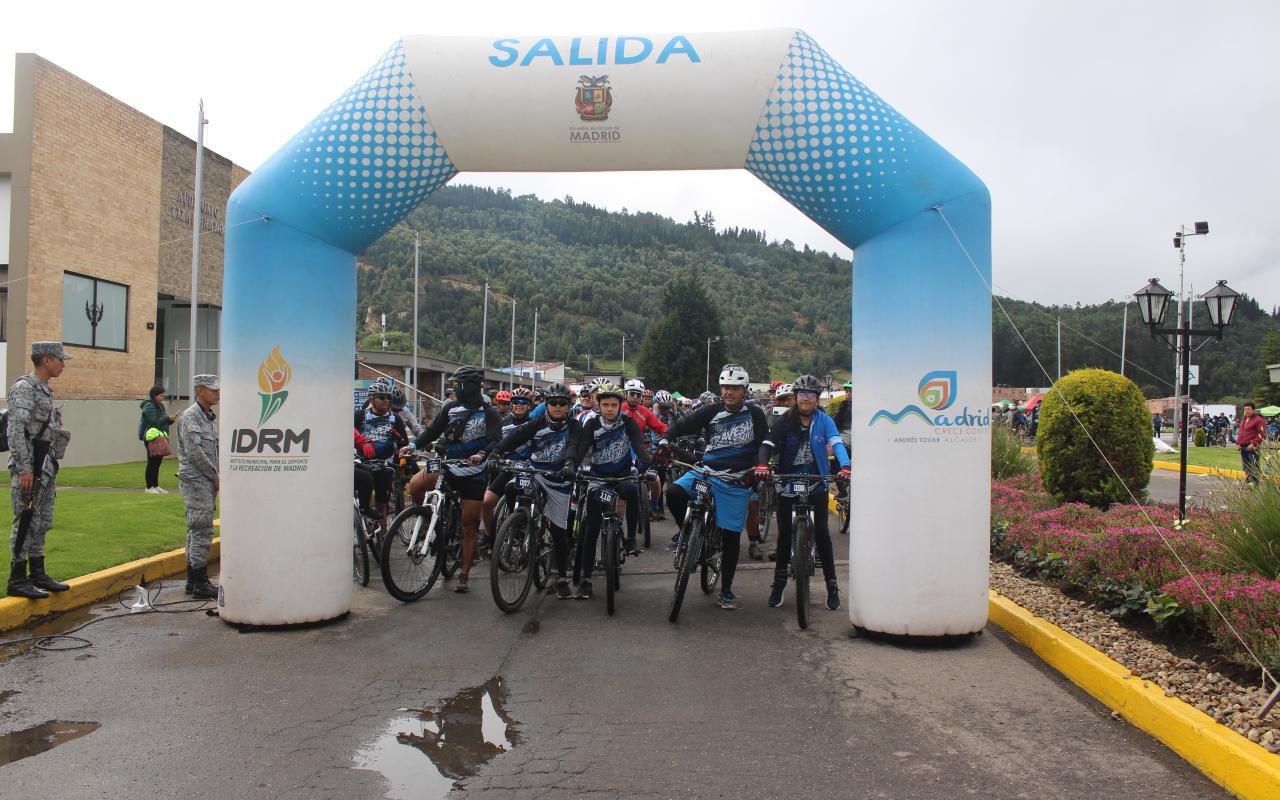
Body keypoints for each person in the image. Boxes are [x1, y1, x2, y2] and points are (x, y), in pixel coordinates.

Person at [661, 364, 769, 610]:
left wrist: (760, 465)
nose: (729, 392)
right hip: (707, 472)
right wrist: (666, 439)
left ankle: (727, 590)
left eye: (734, 388)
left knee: (731, 537)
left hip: (736, 479)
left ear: (744, 390)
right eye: (725, 387)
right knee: (674, 492)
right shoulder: (710, 411)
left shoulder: (755, 414)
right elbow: (682, 426)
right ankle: (688, 536)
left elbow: (764, 443)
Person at [754, 374, 851, 611]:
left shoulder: (824, 420)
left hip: (816, 481)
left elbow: (837, 442)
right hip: (788, 482)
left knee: (821, 534)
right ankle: (778, 584)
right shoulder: (785, 420)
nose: (806, 399)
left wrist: (845, 466)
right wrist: (763, 464)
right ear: (796, 398)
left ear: (817, 399)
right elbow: (768, 443)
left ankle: (831, 584)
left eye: (811, 395)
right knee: (785, 535)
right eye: (802, 395)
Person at [404, 366, 502, 592]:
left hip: (473, 474)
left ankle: (464, 573)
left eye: (458, 384)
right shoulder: (450, 408)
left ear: (470, 386)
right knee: (416, 484)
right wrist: (412, 445)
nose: (454, 388)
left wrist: (482, 455)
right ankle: (430, 521)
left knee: (469, 524)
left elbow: (496, 440)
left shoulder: (490, 413)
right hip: (447, 466)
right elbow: (431, 431)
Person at [485, 381, 581, 599]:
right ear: (546, 404)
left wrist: (569, 464)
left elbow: (574, 446)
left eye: (562, 403)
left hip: (559, 479)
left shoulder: (574, 427)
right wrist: (496, 453)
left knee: (559, 530)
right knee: (512, 487)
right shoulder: (536, 423)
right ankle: (518, 526)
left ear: (568, 405)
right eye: (553, 402)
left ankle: (562, 577)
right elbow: (514, 438)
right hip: (536, 472)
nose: (557, 406)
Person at [568, 383, 651, 597]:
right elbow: (582, 448)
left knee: (632, 490)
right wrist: (571, 467)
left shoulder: (629, 423)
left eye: (614, 405)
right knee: (591, 529)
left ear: (620, 405)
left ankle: (631, 540)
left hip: (622, 476)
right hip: (598, 478)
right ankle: (586, 580)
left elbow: (639, 446)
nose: (610, 409)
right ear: (598, 404)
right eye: (605, 404)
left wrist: (648, 463)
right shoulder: (592, 425)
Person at [6, 341, 73, 599]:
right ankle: (17, 577)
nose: (63, 364)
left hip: (44, 466)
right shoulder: (24, 388)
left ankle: (37, 572)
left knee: (42, 521)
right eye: (59, 360)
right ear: (45, 360)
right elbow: (16, 431)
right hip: (30, 467)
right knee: (24, 520)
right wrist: (24, 469)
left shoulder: (44, 390)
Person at [176, 374, 221, 599]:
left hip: (203, 481)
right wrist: (215, 475)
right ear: (200, 390)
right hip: (197, 481)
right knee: (201, 530)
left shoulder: (206, 417)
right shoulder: (191, 417)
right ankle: (200, 581)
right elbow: (195, 453)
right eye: (212, 390)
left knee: (196, 530)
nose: (217, 394)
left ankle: (193, 581)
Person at [355, 380, 409, 519]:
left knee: (381, 504)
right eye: (382, 397)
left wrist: (398, 438)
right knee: (361, 499)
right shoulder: (360, 416)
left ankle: (383, 536)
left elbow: (405, 444)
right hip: (364, 463)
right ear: (372, 398)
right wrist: (362, 444)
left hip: (385, 464)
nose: (387, 401)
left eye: (388, 398)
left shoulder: (395, 418)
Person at [140, 385, 176, 494]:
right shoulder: (149, 406)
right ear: (154, 396)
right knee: (152, 462)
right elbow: (154, 422)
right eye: (161, 395)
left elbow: (162, 421)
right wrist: (167, 418)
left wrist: (170, 420)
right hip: (152, 437)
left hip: (160, 436)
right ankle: (149, 487)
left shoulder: (160, 406)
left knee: (157, 462)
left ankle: (155, 485)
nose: (163, 398)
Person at [1238, 402, 1267, 485]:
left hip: (1252, 446)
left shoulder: (1258, 420)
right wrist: (1239, 443)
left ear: (1253, 410)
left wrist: (1254, 443)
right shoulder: (1244, 419)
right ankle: (1248, 481)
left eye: (1248, 409)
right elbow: (1241, 432)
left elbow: (1262, 434)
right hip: (1243, 446)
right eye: (1245, 409)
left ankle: (1255, 482)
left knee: (1254, 465)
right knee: (1246, 465)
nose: (1246, 411)